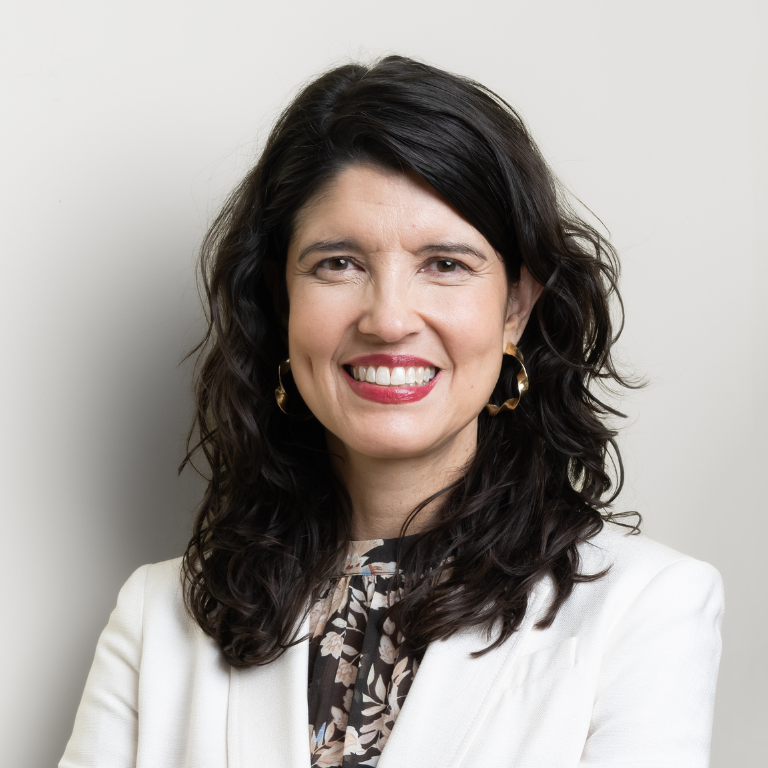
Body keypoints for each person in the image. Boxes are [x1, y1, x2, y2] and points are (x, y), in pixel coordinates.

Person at [60, 56, 723, 768]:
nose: (388, 319)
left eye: (445, 264)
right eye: (338, 263)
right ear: (280, 303)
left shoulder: (648, 608)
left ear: (516, 308)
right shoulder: (158, 616)